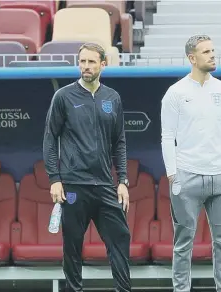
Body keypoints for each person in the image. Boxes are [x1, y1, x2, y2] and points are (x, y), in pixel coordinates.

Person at [43, 43, 131, 292]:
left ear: (103, 64)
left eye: (91, 62)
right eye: (82, 62)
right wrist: (54, 179)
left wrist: (123, 180)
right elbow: (50, 140)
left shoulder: (112, 98)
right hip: (73, 186)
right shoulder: (63, 97)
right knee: (72, 246)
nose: (86, 67)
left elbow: (120, 142)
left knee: (120, 239)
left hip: (104, 186)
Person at [160, 34, 221, 292]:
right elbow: (167, 136)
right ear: (192, 58)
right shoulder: (175, 92)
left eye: (213, 50)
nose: (212, 55)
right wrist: (173, 175)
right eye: (206, 52)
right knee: (183, 243)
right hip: (187, 177)